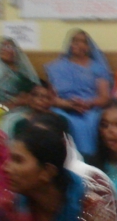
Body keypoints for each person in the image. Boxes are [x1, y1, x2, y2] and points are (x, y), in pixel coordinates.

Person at [46, 29, 112, 157]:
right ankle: (70, 159)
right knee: (63, 120)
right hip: (63, 107)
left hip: (91, 108)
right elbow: (51, 97)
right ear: (70, 44)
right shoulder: (57, 67)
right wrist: (68, 104)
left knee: (93, 121)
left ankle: (90, 158)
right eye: (75, 41)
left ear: (88, 47)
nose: (78, 44)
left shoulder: (98, 68)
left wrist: (87, 103)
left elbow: (105, 97)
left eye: (83, 42)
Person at [0, 80, 64, 140]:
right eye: (35, 95)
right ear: (28, 97)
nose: (39, 99)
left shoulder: (59, 121)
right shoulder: (16, 121)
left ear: (52, 100)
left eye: (45, 97)